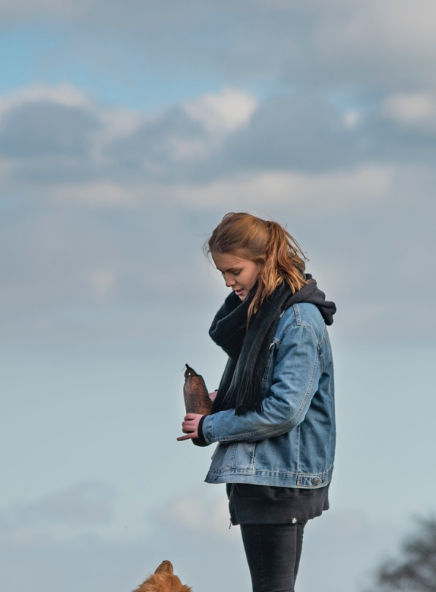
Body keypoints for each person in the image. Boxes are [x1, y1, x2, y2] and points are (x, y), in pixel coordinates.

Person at [177, 212, 337, 592]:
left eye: (235, 270)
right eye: (222, 274)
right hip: (269, 477)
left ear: (264, 261)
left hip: (275, 480)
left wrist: (209, 426)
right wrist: (223, 399)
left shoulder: (296, 320)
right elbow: (265, 388)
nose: (229, 282)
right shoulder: (265, 314)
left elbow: (284, 410)